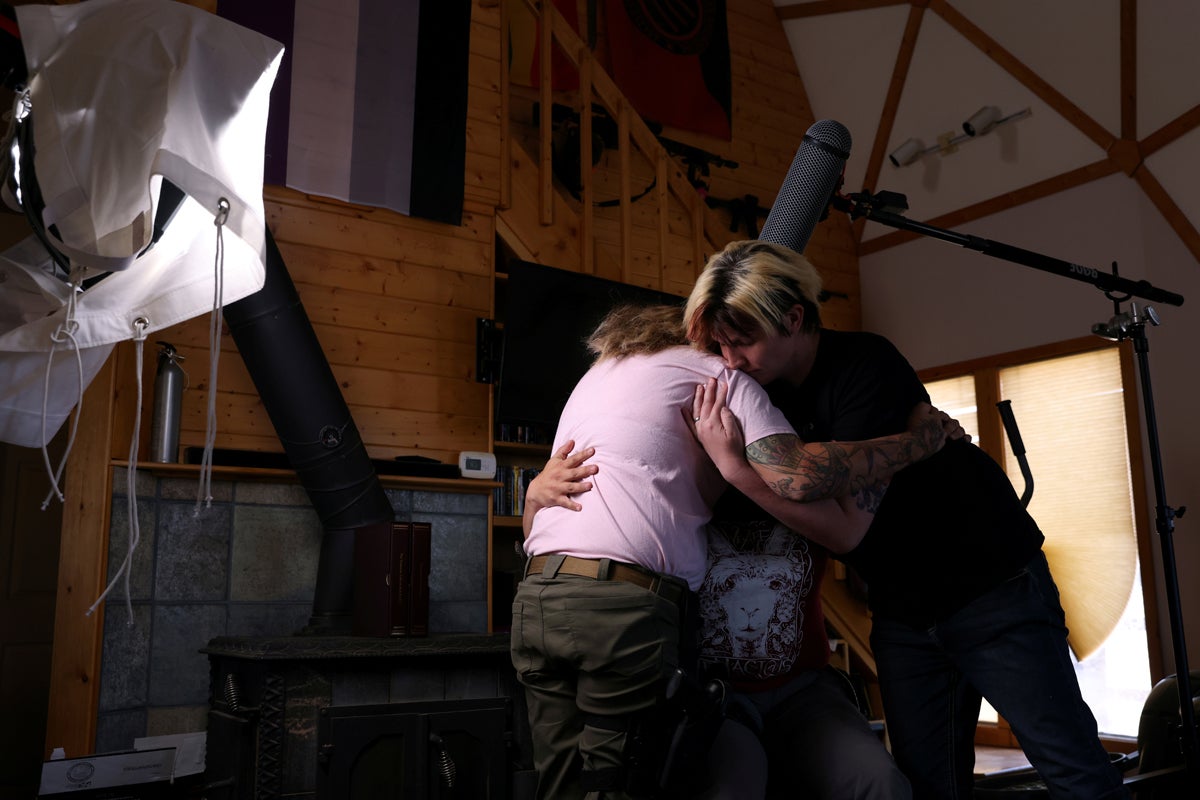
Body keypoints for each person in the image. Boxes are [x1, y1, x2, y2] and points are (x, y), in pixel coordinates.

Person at [682, 238, 1130, 800]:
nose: (730, 361)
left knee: (1073, 768)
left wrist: (743, 467)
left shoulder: (868, 363)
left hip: (990, 587)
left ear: (794, 318)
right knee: (927, 784)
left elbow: (828, 508)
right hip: (902, 611)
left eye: (742, 341)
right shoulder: (764, 394)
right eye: (721, 344)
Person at [511, 302, 952, 800]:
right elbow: (800, 472)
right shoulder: (716, 377)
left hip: (539, 596)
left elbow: (538, 528)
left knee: (564, 784)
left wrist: (530, 495)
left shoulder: (601, 379)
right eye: (727, 345)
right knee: (622, 781)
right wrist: (917, 441)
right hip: (646, 633)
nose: (736, 361)